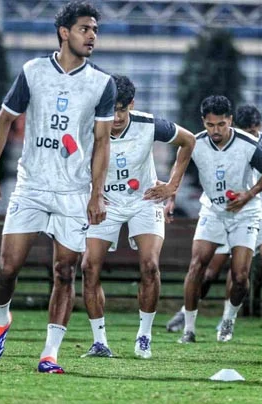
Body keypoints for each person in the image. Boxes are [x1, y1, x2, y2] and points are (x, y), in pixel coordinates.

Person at [0, 1, 116, 374]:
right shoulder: (33, 72)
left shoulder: (103, 83)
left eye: (95, 30)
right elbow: (4, 120)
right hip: (32, 186)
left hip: (73, 193)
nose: (92, 36)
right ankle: (2, 317)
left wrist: (96, 193)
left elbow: (102, 142)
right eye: (85, 29)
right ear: (64, 32)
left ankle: (49, 354)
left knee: (65, 271)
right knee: (8, 267)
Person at [80, 75, 195, 359]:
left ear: (131, 104)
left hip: (145, 199)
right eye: (111, 110)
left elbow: (189, 140)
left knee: (150, 265)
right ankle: (99, 342)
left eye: (122, 109)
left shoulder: (149, 124)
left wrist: (172, 186)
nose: (117, 117)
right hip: (105, 201)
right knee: (89, 267)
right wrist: (90, 193)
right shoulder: (89, 126)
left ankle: (144, 337)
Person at [168, 105, 262, 340]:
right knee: (198, 266)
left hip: (246, 212)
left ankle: (230, 320)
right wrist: (170, 196)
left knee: (242, 275)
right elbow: (179, 166)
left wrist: (250, 195)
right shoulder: (195, 141)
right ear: (203, 121)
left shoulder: (251, 144)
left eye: (221, 124)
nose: (215, 130)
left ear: (230, 121)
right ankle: (189, 328)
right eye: (210, 125)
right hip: (213, 211)